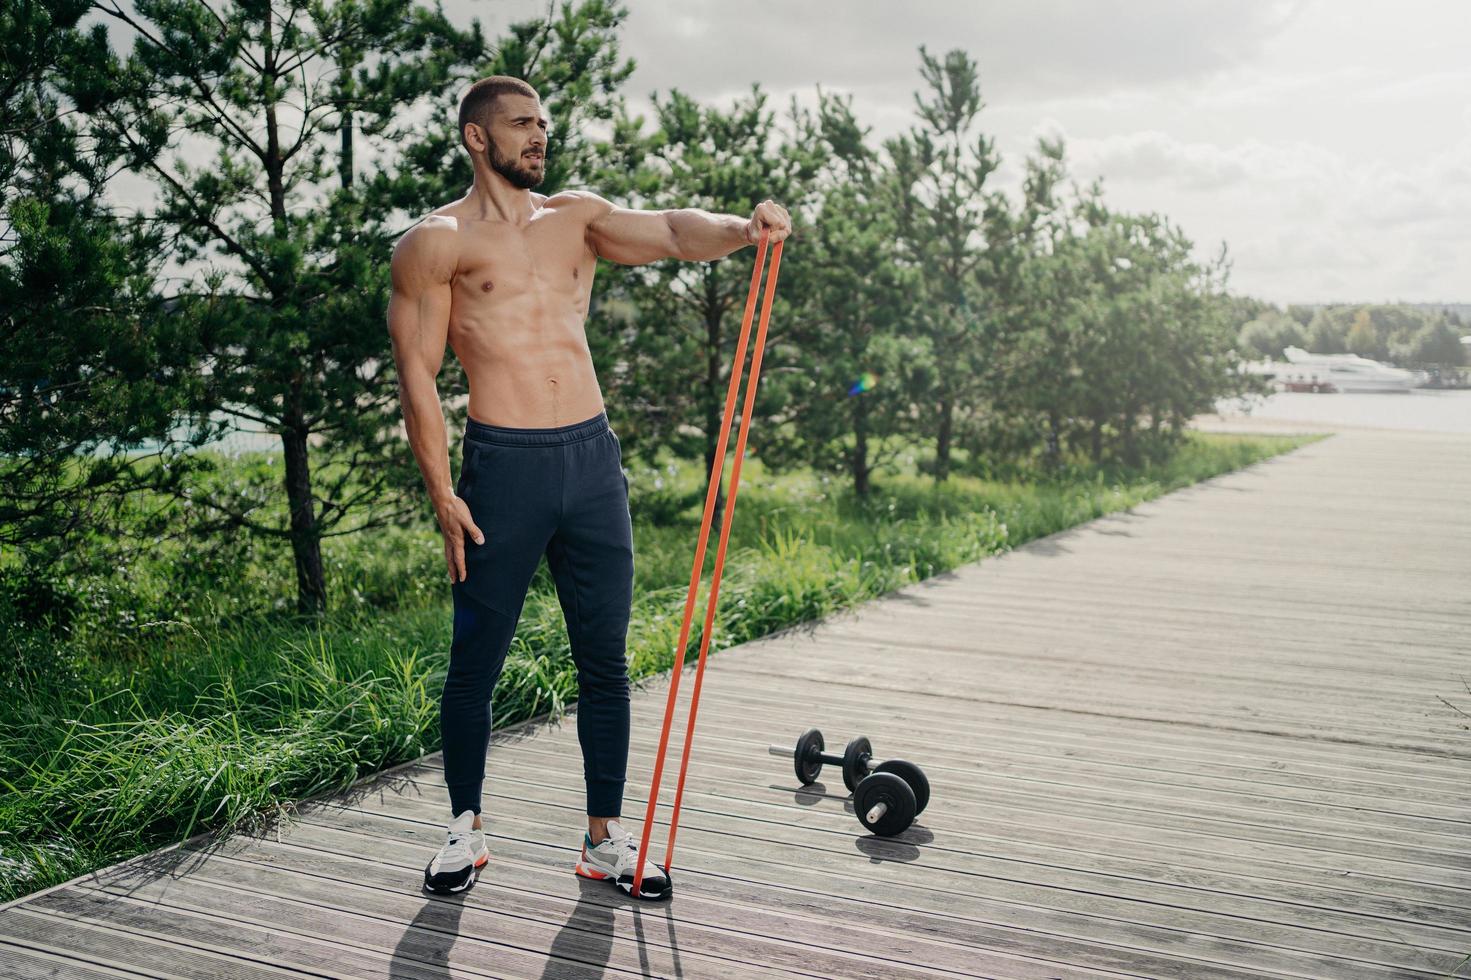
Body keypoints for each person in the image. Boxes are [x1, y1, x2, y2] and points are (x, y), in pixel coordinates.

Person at [387, 75, 791, 897]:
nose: (538, 136)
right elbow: (417, 377)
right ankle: (463, 830)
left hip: (591, 462)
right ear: (476, 137)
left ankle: (602, 838)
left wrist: (742, 231)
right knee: (476, 663)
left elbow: (677, 232)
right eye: (520, 125)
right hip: (502, 469)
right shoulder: (434, 244)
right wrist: (441, 493)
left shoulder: (576, 217)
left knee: (604, 659)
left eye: (542, 124)